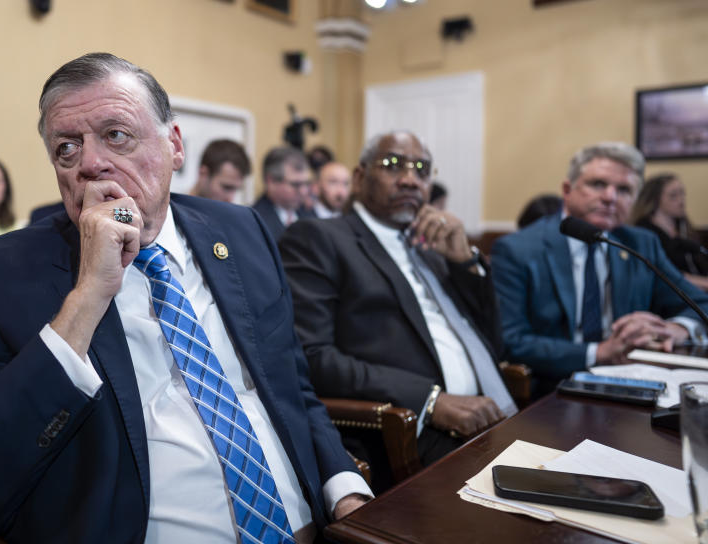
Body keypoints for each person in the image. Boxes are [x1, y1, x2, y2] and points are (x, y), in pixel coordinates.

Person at [0, 53, 370, 543]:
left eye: (116, 135)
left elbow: (291, 387)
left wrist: (346, 491)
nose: (90, 164)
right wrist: (88, 296)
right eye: (66, 149)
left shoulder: (241, 231)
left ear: (174, 145)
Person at [278, 131, 516, 491]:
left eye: (421, 169)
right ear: (359, 178)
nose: (409, 178)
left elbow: (494, 344)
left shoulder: (431, 245)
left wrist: (466, 262)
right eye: (392, 165)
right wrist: (429, 400)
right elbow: (312, 356)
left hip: (491, 414)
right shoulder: (319, 238)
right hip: (411, 431)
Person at [491, 143, 708, 392]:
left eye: (624, 189)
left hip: (632, 380)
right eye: (598, 184)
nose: (610, 197)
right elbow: (511, 341)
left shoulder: (640, 244)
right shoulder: (518, 249)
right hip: (554, 387)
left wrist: (676, 329)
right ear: (567, 189)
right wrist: (599, 352)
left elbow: (700, 305)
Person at [630, 174, 708, 292]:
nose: (681, 200)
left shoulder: (683, 226)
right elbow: (661, 272)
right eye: (673, 196)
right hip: (671, 293)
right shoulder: (645, 232)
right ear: (655, 200)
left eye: (682, 193)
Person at [252, 146, 315, 241]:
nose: (303, 191)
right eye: (295, 185)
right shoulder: (255, 221)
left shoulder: (310, 215)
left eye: (307, 183)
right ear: (271, 181)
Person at [189, 138, 251, 203]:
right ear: (203, 174)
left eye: (236, 190)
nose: (230, 199)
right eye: (226, 187)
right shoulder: (178, 211)